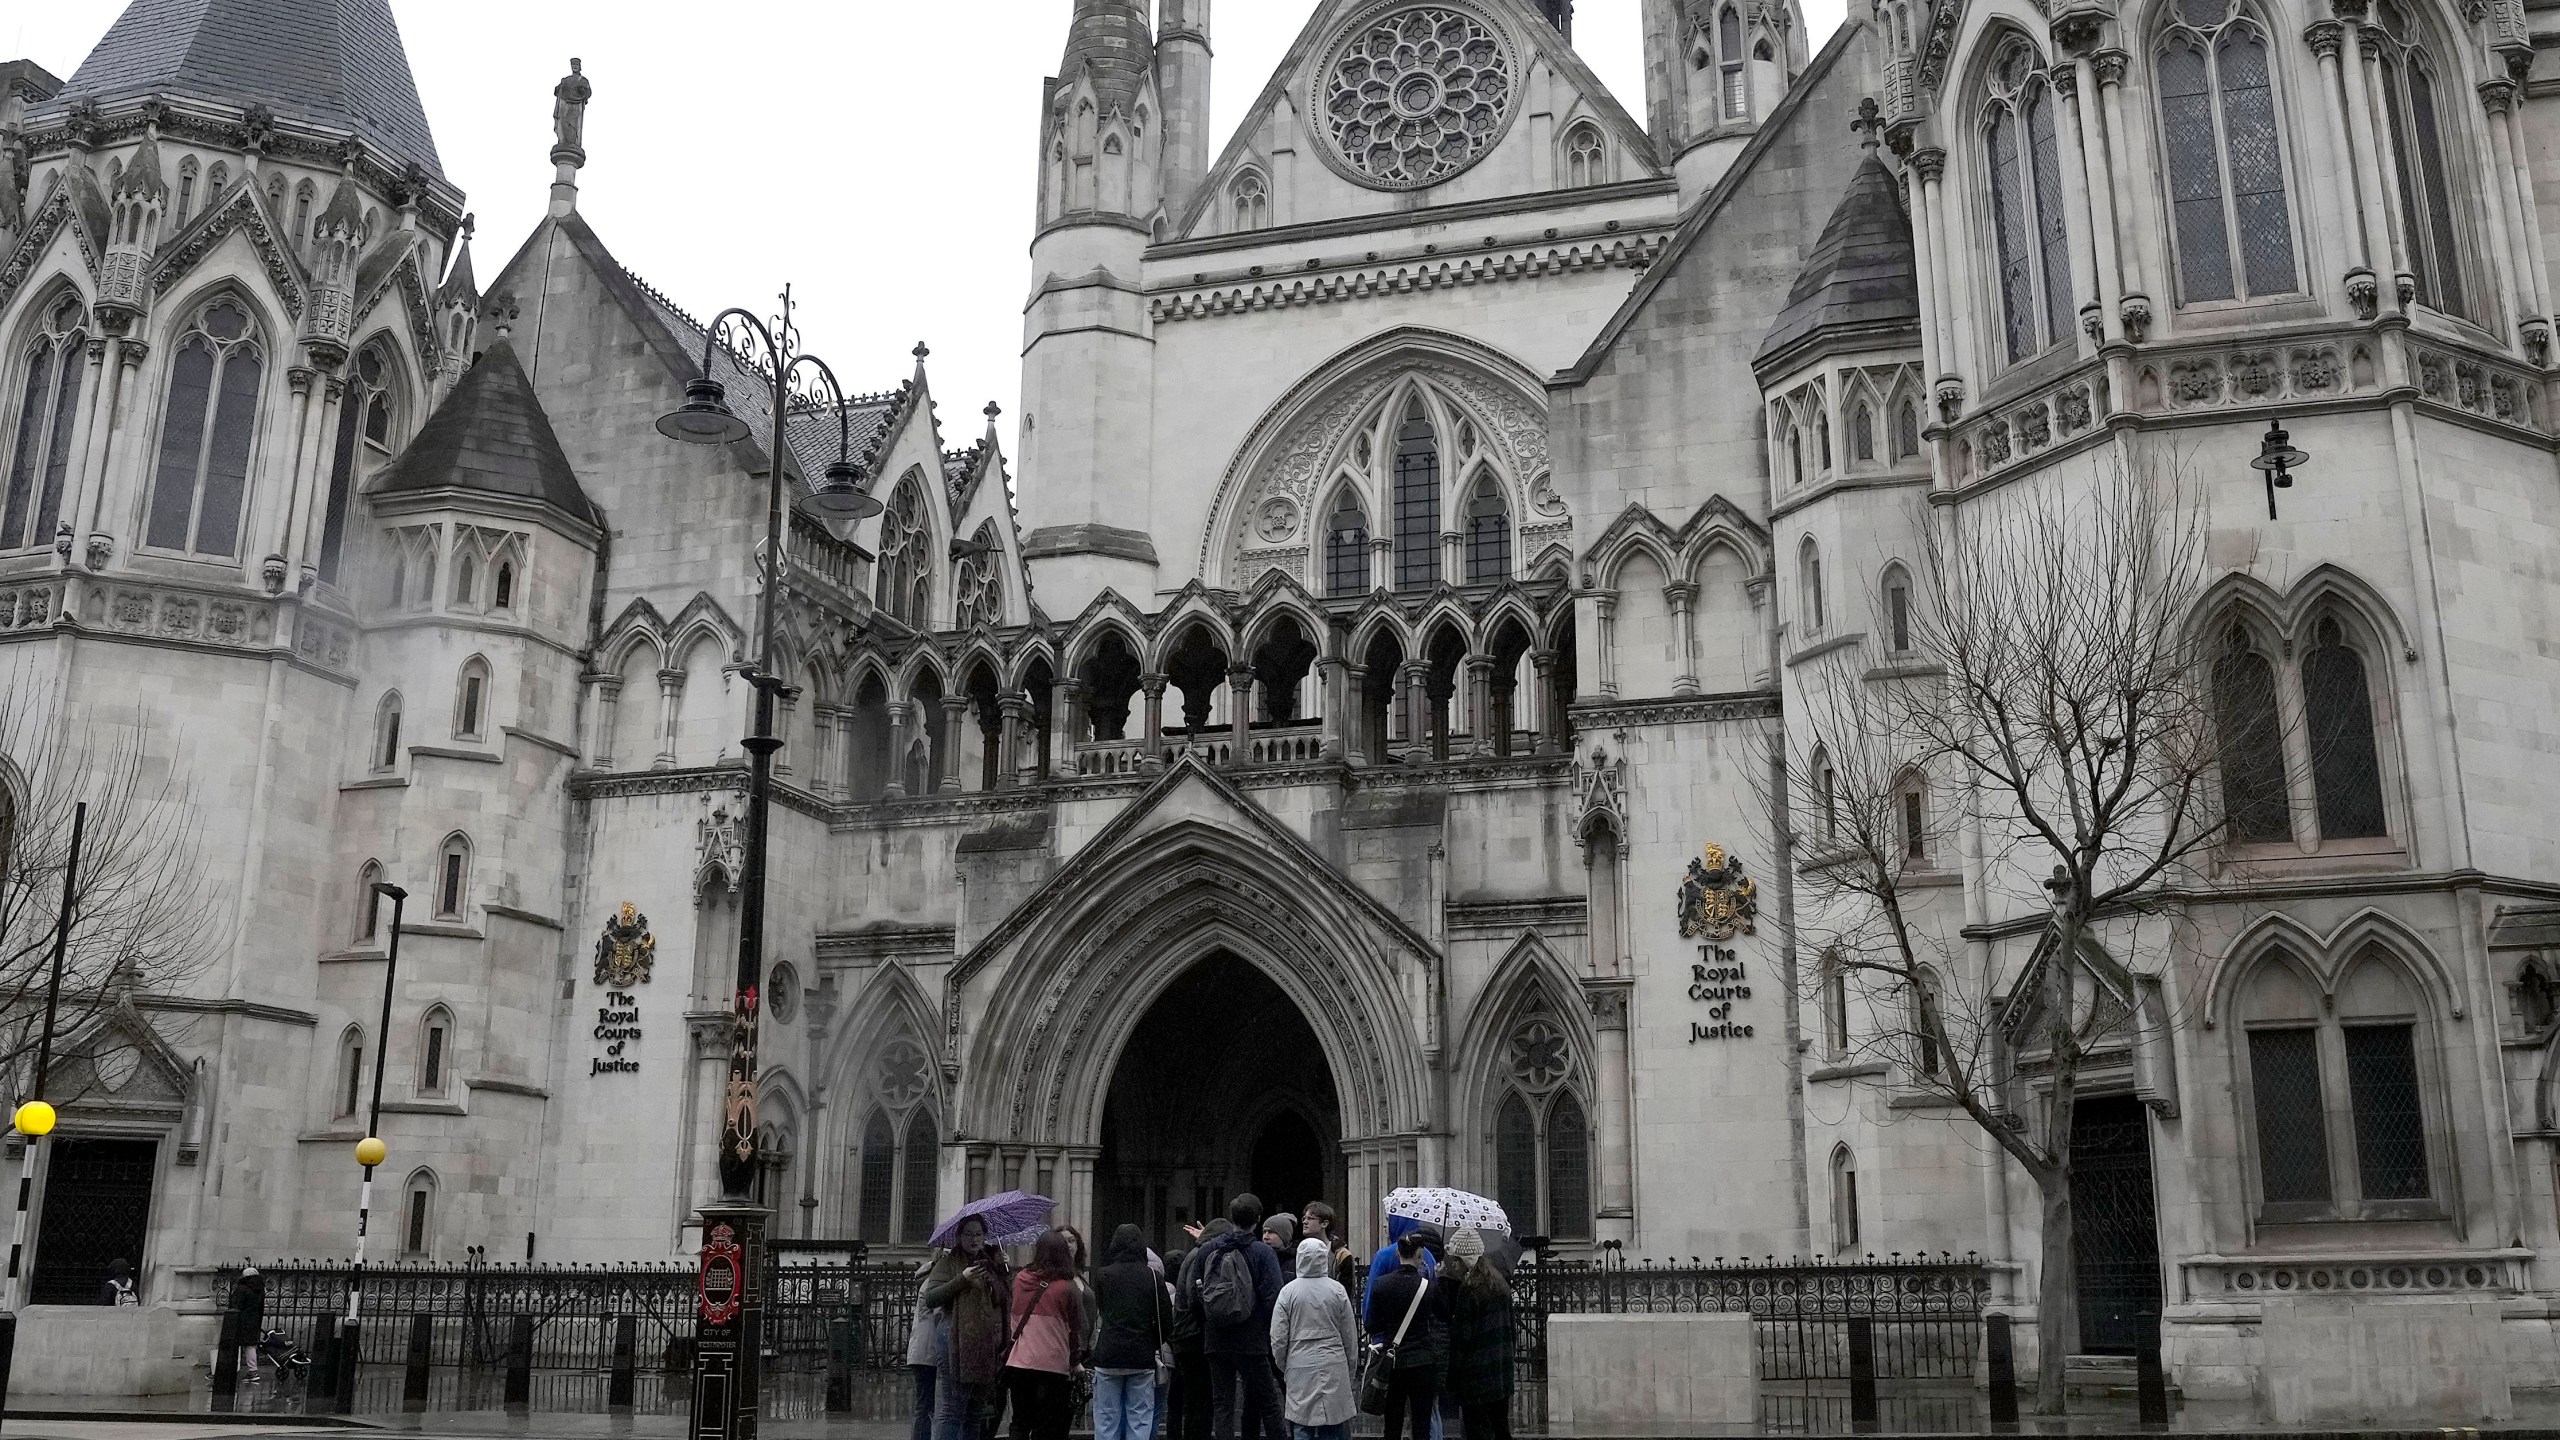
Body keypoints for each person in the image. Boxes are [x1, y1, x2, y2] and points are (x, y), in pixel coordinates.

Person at [1197, 1196, 1285, 1440]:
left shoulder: (1207, 1250)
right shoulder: (1263, 1253)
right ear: (1257, 1220)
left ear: (1231, 1217)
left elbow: (1196, 1294)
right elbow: (1274, 1298)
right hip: (1252, 1341)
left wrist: (1210, 1321)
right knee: (1269, 1402)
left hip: (1216, 1339)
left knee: (1223, 1405)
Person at [925, 1216, 1011, 1440]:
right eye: (968, 1234)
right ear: (959, 1237)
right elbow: (931, 1298)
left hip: (983, 1343)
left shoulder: (989, 1262)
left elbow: (1003, 1299)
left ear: (985, 1236)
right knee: (954, 1407)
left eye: (978, 1234)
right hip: (953, 1340)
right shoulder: (948, 1263)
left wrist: (1001, 1271)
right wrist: (961, 1279)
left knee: (975, 1411)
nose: (974, 1239)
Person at [1003, 1230, 1090, 1440]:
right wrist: (1075, 1359)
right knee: (1047, 1424)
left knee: (1020, 1422)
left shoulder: (1020, 1280)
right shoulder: (1067, 1287)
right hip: (1053, 1366)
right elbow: (1077, 1328)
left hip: (1020, 1362)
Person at [1362, 1233, 1450, 1440]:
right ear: (1420, 1254)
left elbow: (1371, 1324)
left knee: (1392, 1424)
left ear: (1398, 1252)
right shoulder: (1428, 1286)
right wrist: (1440, 1279)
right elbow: (1445, 1315)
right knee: (1421, 1425)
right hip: (1423, 1360)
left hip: (1393, 1363)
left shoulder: (1381, 1285)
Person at [1269, 1238, 1359, 1440]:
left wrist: (1284, 1364)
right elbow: (1349, 1335)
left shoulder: (1288, 1292)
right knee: (1333, 1422)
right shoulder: (1337, 1290)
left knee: (1302, 1423)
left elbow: (1278, 1337)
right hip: (1333, 1360)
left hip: (1299, 1361)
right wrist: (1350, 1367)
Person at [1092, 1225, 1171, 1440]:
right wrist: (1151, 1342)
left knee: (1106, 1418)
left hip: (1108, 1354)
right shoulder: (1154, 1278)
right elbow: (1166, 1322)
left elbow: (1103, 1310)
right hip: (1141, 1356)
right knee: (1139, 1418)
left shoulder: (1102, 1275)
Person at [1441, 1229, 1514, 1440]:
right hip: (1500, 1373)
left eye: (1455, 1260)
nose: (1453, 1265)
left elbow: (1461, 1340)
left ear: (1465, 1260)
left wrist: (1452, 1381)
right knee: (1501, 1429)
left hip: (1477, 1379)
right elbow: (1511, 1329)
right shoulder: (1500, 1284)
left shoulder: (1470, 1289)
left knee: (1477, 1431)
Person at [1166, 1234, 1217, 1440]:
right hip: (1195, 1341)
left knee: (1178, 1401)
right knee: (1199, 1399)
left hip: (1180, 1346)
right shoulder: (1198, 1262)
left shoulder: (1171, 1291)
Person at [1364, 1217, 1436, 1321]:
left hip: (1388, 1333)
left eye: (1388, 1220)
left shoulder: (1383, 1256)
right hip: (1422, 1331)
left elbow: (1369, 1305)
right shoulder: (1429, 1256)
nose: (1385, 1226)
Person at [907, 1256, 947, 1440]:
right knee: (925, 1405)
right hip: (926, 1352)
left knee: (925, 1404)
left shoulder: (926, 1281)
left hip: (921, 1351)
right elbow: (940, 1316)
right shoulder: (932, 1285)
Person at [1298, 1204, 1361, 1300]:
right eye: (1304, 1218)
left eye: (1310, 1218)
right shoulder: (1300, 1251)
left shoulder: (1341, 1255)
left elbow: (1346, 1293)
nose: (1305, 1222)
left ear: (1324, 1223)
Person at [227, 1265, 267, 1380]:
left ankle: (228, 1369)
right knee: (251, 1346)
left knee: (232, 1344)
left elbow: (235, 1305)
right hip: (254, 1320)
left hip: (240, 1320)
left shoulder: (242, 1288)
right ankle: (253, 1370)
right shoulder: (260, 1290)